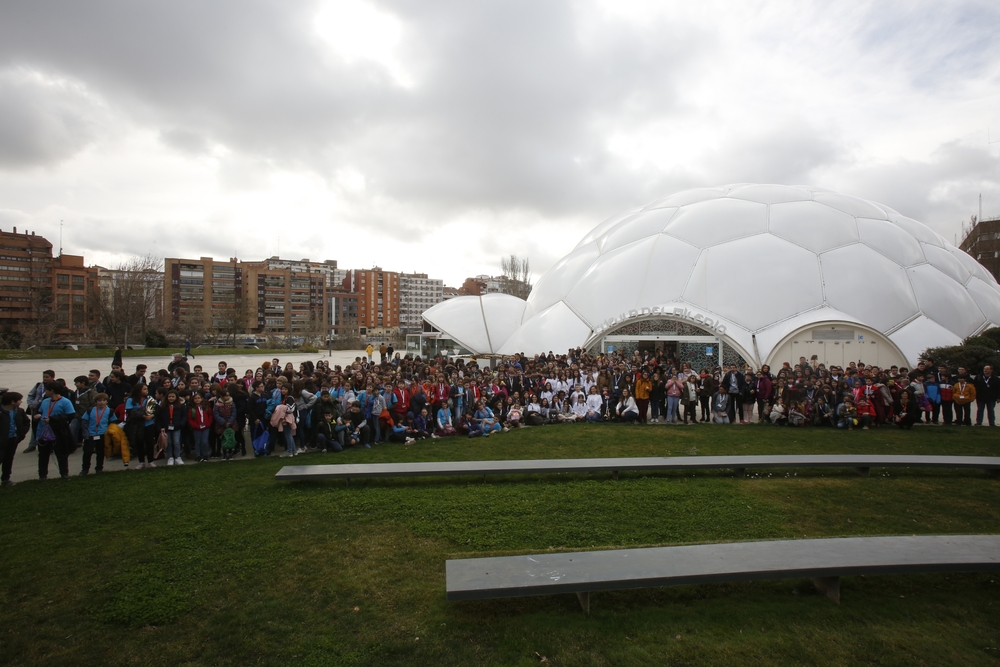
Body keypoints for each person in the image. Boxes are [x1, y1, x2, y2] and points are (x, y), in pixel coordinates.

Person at [36, 382, 76, 480]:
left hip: (59, 431)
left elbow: (71, 415)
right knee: (43, 454)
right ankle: (42, 475)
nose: (45, 392)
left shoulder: (65, 402)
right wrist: (38, 415)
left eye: (46, 389)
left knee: (61, 453)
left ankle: (64, 473)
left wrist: (53, 419)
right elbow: (40, 411)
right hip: (44, 430)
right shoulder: (45, 401)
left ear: (52, 390)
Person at [79, 393, 115, 475]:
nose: (102, 402)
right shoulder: (90, 410)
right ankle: (85, 469)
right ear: (96, 402)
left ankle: (99, 468)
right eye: (99, 401)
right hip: (91, 434)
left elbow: (113, 422)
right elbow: (84, 422)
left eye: (104, 400)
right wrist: (85, 434)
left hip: (103, 434)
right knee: (87, 452)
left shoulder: (110, 411)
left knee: (100, 452)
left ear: (107, 401)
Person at [0, 392, 30, 486]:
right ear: (12, 402)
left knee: (8, 459)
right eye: (19, 400)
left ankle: (6, 479)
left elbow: (26, 422)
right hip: (1, 441)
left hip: (13, 440)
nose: (21, 402)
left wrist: (21, 433)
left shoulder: (19, 411)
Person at [23, 369, 55, 453]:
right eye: (44, 377)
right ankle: (32, 445)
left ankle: (48, 444)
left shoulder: (55, 386)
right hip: (36, 409)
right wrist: (31, 404)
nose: (45, 378)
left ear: (52, 377)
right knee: (35, 427)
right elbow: (31, 395)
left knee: (47, 427)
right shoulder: (39, 385)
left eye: (47, 377)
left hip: (47, 409)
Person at [188, 392, 214, 463]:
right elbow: (190, 419)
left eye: (199, 398)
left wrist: (208, 423)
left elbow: (210, 416)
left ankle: (205, 454)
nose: (197, 400)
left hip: (206, 427)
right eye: (195, 398)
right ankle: (198, 455)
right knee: (198, 442)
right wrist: (195, 426)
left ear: (202, 399)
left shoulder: (206, 407)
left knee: (204, 442)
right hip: (197, 428)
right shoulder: (192, 409)